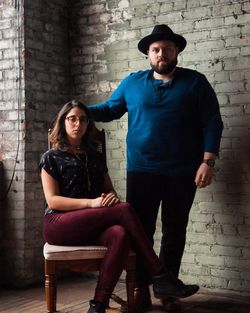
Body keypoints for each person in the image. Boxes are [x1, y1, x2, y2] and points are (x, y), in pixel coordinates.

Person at [88, 24, 224, 312]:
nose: (161, 53)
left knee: (175, 230)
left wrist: (207, 161)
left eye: (167, 48)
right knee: (141, 231)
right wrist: (77, 108)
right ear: (148, 54)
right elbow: (110, 109)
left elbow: (212, 121)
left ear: (177, 51)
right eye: (156, 49)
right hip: (142, 171)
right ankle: (140, 288)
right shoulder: (133, 82)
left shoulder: (195, 82)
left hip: (182, 171)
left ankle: (168, 289)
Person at [39, 100, 200, 313]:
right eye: (72, 119)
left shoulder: (95, 157)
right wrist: (93, 203)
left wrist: (109, 200)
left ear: (88, 124)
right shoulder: (51, 157)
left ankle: (98, 304)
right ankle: (159, 274)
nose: (78, 123)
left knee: (120, 233)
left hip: (90, 223)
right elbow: (53, 201)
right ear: (63, 122)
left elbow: (110, 191)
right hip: (59, 224)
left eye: (83, 119)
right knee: (124, 209)